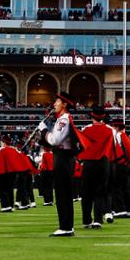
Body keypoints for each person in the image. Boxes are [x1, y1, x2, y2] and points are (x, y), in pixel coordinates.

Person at [40, 91, 80, 236]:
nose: (54, 104)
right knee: (63, 193)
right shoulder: (62, 119)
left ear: (64, 104)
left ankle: (66, 227)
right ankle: (66, 225)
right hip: (62, 158)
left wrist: (44, 131)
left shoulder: (64, 119)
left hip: (63, 158)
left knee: (63, 194)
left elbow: (55, 140)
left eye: (57, 102)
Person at [78, 105, 115, 229]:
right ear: (103, 117)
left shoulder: (86, 129)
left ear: (92, 116)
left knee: (86, 192)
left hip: (88, 163)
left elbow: (81, 146)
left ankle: (86, 220)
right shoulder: (110, 130)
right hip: (103, 162)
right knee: (100, 191)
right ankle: (98, 220)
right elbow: (113, 147)